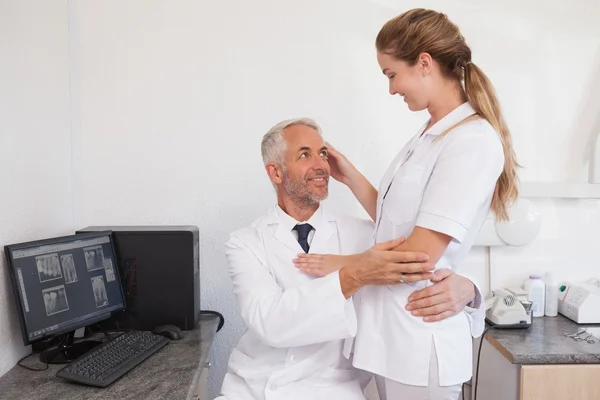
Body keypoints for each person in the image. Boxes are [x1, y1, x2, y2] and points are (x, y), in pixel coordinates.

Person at [293, 8, 519, 400]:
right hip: (391, 342)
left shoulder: (471, 141)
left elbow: (418, 255)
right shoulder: (429, 134)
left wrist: (342, 266)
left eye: (391, 74)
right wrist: (349, 177)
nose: (391, 89)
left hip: (420, 342)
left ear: (425, 63)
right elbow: (395, 223)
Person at [216, 118, 442, 400]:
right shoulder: (245, 242)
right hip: (253, 387)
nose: (321, 164)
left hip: (334, 388)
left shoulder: (364, 235)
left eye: (323, 153)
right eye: (304, 154)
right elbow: (271, 322)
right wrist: (355, 274)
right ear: (275, 172)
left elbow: (424, 253)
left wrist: (468, 288)